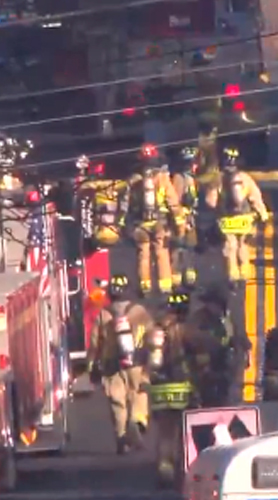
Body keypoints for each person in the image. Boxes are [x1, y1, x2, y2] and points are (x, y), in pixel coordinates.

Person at [86, 275, 154, 454]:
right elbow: (152, 334)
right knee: (138, 394)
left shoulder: (104, 314)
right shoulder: (139, 311)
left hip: (111, 367)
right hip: (137, 363)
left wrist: (91, 366)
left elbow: (95, 343)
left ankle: (122, 437)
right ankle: (137, 421)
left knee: (117, 402)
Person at [122, 144, 186, 295]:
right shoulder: (163, 179)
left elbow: (125, 204)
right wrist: (179, 226)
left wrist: (124, 226)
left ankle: (145, 287)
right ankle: (165, 287)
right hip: (160, 224)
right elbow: (173, 202)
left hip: (141, 225)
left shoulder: (133, 180)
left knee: (143, 255)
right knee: (161, 252)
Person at [203, 147, 269, 283]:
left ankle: (232, 275)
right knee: (243, 244)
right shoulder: (245, 178)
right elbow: (255, 197)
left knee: (230, 245)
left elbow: (210, 202)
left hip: (226, 219)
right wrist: (263, 214)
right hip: (245, 218)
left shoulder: (217, 179)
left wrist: (217, 211)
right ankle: (245, 273)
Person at [148, 291, 194, 485]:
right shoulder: (187, 330)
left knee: (164, 432)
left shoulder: (155, 330)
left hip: (160, 388)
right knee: (183, 430)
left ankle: (164, 469)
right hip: (182, 387)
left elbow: (145, 356)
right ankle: (183, 468)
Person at [171, 149, 199, 288]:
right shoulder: (179, 178)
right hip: (181, 218)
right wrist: (180, 219)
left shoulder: (190, 178)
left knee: (190, 246)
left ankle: (189, 276)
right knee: (179, 246)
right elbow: (176, 201)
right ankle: (176, 277)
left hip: (189, 217)